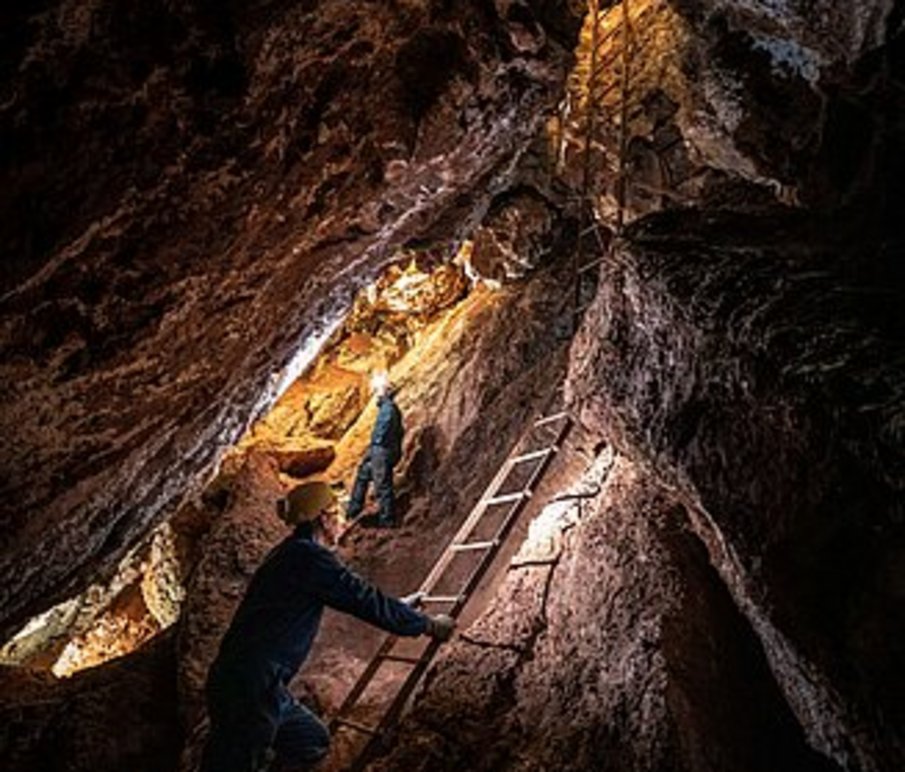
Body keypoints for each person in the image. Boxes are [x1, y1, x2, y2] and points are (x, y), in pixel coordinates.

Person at [200, 481, 454, 772]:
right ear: (323, 518)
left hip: (262, 684)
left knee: (311, 740)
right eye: (337, 513)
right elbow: (361, 599)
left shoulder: (293, 553)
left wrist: (400, 606)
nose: (342, 521)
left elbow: (356, 594)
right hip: (248, 686)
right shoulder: (307, 557)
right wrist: (426, 625)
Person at [346, 372, 404, 528]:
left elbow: (381, 434)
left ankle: (387, 522)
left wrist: (372, 452)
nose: (376, 393)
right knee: (363, 474)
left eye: (379, 389)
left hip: (382, 452)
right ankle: (353, 511)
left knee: (382, 485)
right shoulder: (388, 408)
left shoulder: (388, 409)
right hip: (382, 451)